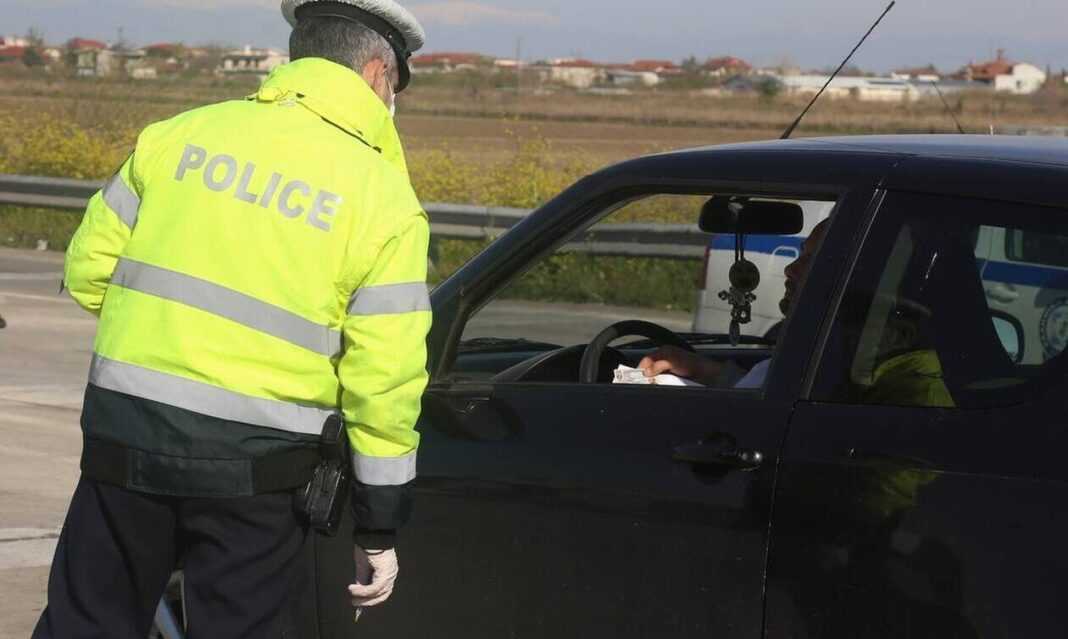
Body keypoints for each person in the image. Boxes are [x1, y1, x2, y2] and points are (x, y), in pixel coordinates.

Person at [33, 1, 430, 636]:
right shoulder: (384, 200)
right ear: (377, 73)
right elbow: (384, 378)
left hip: (124, 440)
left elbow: (86, 274)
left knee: (87, 623)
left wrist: (171, 335)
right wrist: (379, 525)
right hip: (257, 474)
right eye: (396, 87)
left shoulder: (176, 136)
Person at [640, 219, 829, 387]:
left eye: (813, 260)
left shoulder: (806, 363)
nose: (790, 269)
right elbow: (754, 389)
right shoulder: (814, 356)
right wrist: (701, 369)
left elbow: (750, 405)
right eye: (802, 253)